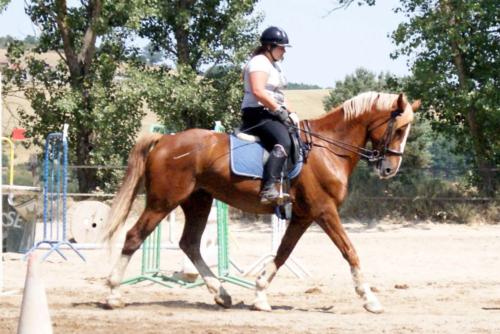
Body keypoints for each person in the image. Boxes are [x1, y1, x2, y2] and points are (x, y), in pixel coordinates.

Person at [240, 26, 299, 204]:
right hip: (257, 114)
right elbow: (258, 91)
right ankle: (268, 188)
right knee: (284, 141)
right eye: (281, 48)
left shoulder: (275, 66)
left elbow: (279, 95)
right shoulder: (259, 62)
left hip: (270, 112)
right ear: (269, 47)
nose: (284, 52)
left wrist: (292, 113)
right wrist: (278, 110)